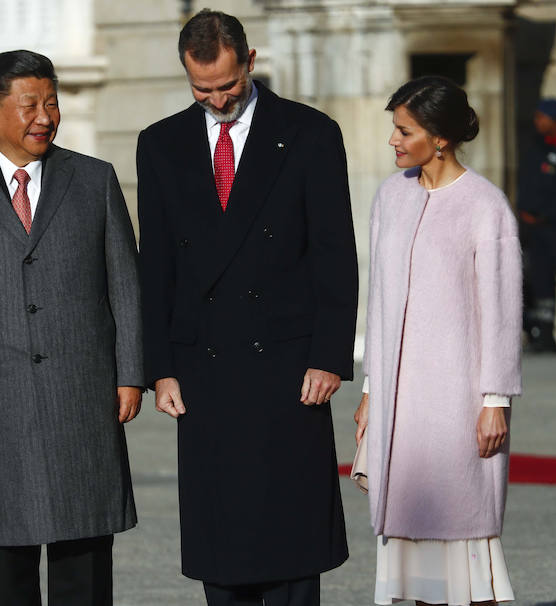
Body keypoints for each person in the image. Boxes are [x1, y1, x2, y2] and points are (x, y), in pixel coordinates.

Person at [136, 10, 357, 605]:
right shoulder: (160, 143)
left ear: (250, 62)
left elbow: (335, 253)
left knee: (290, 542)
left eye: (228, 86)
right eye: (201, 89)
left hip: (288, 366)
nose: (217, 100)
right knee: (223, 540)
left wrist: (330, 356)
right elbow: (154, 265)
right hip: (203, 367)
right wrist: (159, 368)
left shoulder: (310, 132)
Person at [0, 50, 144, 606]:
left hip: (84, 393)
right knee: (11, 560)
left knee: (84, 561)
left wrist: (132, 373)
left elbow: (125, 285)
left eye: (51, 103)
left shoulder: (93, 180)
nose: (44, 116)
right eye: (29, 105)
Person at [355, 76, 522, 606]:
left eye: (405, 131)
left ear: (440, 138)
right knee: (404, 531)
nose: (394, 141)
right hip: (398, 402)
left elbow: (500, 312)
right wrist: (370, 391)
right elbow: (379, 301)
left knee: (464, 528)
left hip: (457, 399)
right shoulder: (390, 196)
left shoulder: (485, 206)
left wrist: (494, 400)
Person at [518, 97, 556, 354]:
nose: (538, 122)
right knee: (539, 281)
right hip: (536, 229)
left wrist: (546, 215)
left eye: (542, 118)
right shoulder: (536, 147)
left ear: (555, 120)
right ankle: (544, 337)